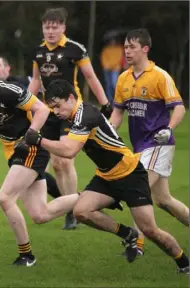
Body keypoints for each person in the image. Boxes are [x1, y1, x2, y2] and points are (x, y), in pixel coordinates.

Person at [23, 78, 189, 274]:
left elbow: (69, 151)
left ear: (70, 98)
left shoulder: (86, 115)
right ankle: (128, 234)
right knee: (81, 212)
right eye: (53, 108)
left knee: (151, 230)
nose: (57, 112)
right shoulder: (73, 115)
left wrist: (39, 141)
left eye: (58, 106)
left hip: (130, 175)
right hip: (106, 176)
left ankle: (183, 262)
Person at [0, 59, 80, 266]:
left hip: (30, 148)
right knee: (41, 214)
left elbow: (42, 109)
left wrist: (28, 138)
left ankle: (26, 255)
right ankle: (94, 197)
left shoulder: (8, 90)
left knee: (5, 198)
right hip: (13, 153)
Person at [28, 7, 113, 230]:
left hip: (70, 110)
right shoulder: (38, 52)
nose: (50, 31)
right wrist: (26, 105)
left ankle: (73, 211)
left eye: (55, 27)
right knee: (55, 164)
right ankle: (71, 206)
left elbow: (90, 76)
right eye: (47, 27)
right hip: (48, 111)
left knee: (64, 160)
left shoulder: (75, 49)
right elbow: (36, 81)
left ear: (63, 27)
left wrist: (105, 103)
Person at [110, 28, 189, 256]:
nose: (127, 51)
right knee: (163, 200)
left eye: (131, 47)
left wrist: (169, 129)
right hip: (139, 147)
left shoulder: (160, 76)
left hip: (159, 144)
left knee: (138, 187)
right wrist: (109, 130)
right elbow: (117, 113)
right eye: (125, 47)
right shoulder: (123, 78)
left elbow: (179, 108)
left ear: (145, 49)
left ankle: (137, 244)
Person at [0, 55, 62, 199]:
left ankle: (72, 203)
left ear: (7, 68)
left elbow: (42, 89)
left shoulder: (21, 82)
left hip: (35, 131)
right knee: (38, 175)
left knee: (44, 170)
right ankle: (71, 202)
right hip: (17, 142)